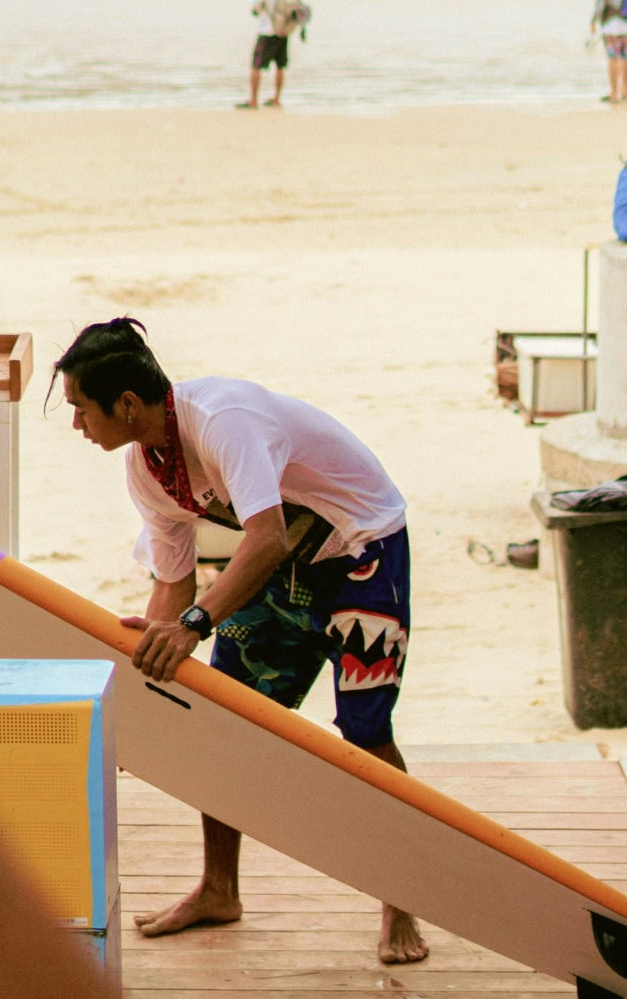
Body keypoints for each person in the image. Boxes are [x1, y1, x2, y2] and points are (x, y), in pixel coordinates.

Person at [54, 318, 429, 967]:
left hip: (363, 553)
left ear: (128, 404)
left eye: (81, 408)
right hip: (282, 568)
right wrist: (143, 682)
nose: (76, 424)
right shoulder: (147, 469)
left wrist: (194, 626)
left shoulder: (224, 420)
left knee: (365, 732)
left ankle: (402, 900)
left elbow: (266, 536)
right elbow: (172, 584)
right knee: (221, 721)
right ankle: (219, 890)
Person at [241, 0, 305, 110]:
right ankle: (276, 98)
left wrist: (260, 11)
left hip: (267, 30)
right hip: (284, 30)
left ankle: (253, 100)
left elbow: (255, 6)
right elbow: (300, 5)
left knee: (256, 65)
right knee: (281, 65)